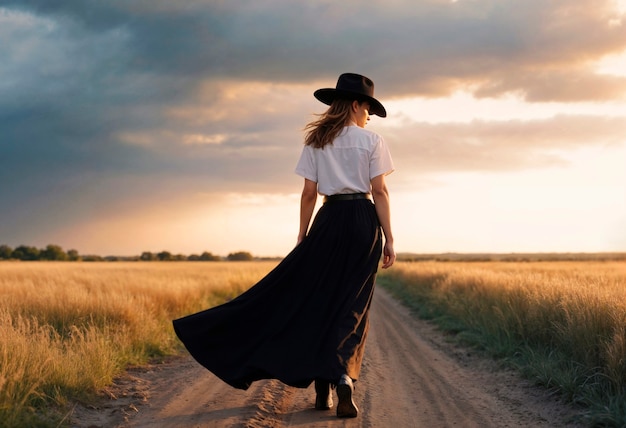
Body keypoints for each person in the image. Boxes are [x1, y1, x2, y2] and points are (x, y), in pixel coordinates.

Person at [172, 72, 395, 419]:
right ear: (356, 105)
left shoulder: (316, 140)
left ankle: (323, 389)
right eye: (368, 108)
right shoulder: (373, 141)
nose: (369, 116)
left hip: (329, 218)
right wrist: (390, 238)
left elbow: (309, 194)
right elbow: (379, 191)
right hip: (363, 221)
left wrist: (303, 236)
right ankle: (343, 377)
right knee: (352, 305)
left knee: (318, 301)